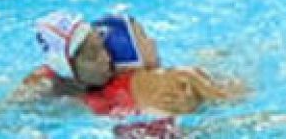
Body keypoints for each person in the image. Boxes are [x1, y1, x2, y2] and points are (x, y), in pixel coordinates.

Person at [18, 11, 245, 117]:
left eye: (103, 47)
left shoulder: (157, 81)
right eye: (94, 55)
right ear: (67, 67)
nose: (107, 58)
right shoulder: (45, 87)